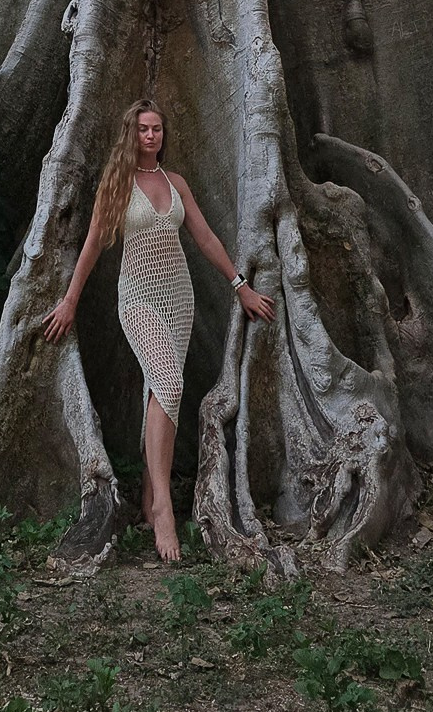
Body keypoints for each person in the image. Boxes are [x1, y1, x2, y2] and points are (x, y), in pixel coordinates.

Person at [43, 99, 275, 562]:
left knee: (159, 390)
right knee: (169, 382)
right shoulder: (117, 184)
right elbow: (91, 243)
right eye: (144, 130)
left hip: (179, 297)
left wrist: (240, 287)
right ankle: (165, 509)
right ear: (132, 134)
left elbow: (205, 236)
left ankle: (151, 493)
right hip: (138, 298)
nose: (151, 137)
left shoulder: (176, 183)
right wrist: (69, 300)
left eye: (157, 130)